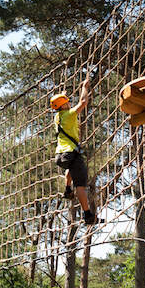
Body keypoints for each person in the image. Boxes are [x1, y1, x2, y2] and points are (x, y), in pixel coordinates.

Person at [50, 79, 102, 225]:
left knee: (71, 171)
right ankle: (88, 215)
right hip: (72, 153)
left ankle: (67, 190)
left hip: (61, 155)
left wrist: (62, 95)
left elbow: (60, 104)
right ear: (64, 105)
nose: (69, 103)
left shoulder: (57, 117)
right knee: (80, 185)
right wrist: (84, 87)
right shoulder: (69, 114)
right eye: (67, 102)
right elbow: (83, 102)